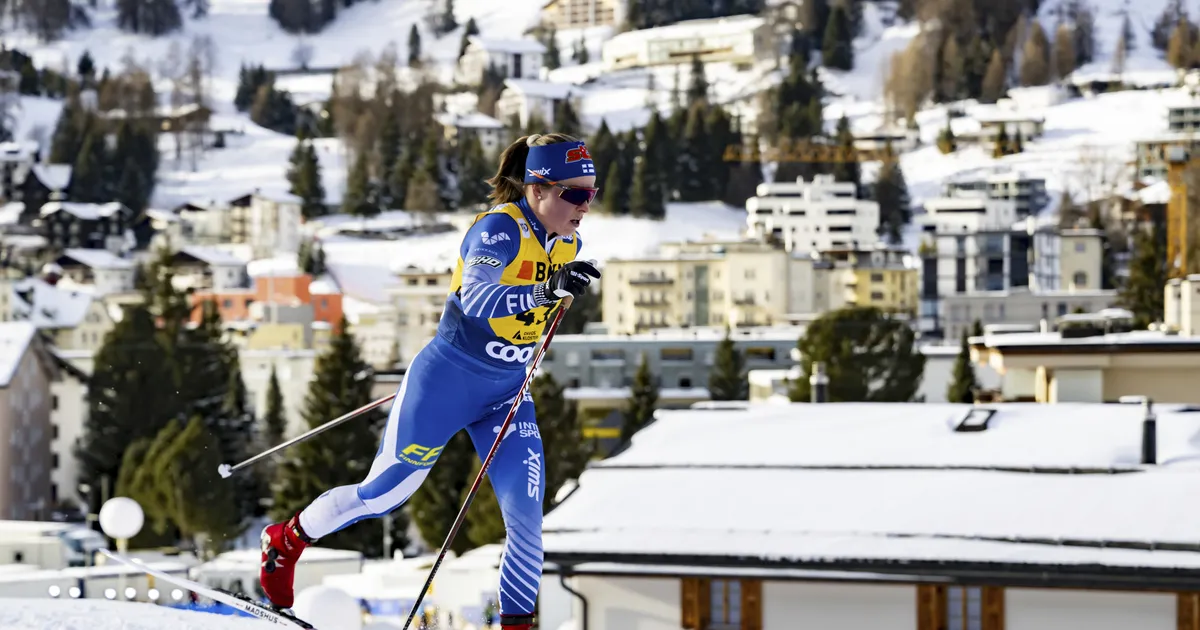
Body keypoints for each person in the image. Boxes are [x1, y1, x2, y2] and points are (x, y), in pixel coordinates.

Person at [259, 132, 601, 630]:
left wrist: (557, 291)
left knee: (527, 525)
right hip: (446, 381)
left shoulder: (569, 240)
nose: (585, 205)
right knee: (383, 494)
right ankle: (286, 541)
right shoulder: (497, 231)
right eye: (575, 193)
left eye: (591, 193)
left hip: (507, 393)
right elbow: (479, 299)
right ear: (538, 187)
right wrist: (545, 289)